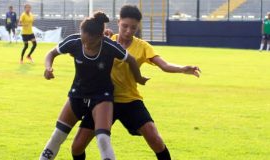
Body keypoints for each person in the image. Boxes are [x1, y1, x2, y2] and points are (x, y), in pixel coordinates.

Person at [70, 5, 201, 160]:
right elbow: (84, 46)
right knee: (77, 147)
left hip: (129, 101)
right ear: (118, 22)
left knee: (155, 138)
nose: (128, 31)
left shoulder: (143, 46)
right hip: (102, 101)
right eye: (125, 26)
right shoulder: (105, 40)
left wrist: (183, 69)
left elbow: (164, 65)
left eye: (133, 28)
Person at [39, 11, 148, 160]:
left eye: (89, 42)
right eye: (83, 39)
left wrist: (139, 78)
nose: (86, 45)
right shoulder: (75, 41)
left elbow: (131, 60)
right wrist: (48, 67)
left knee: (102, 139)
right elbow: (51, 53)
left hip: (101, 97)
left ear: (100, 37)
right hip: (77, 95)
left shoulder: (110, 46)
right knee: (57, 136)